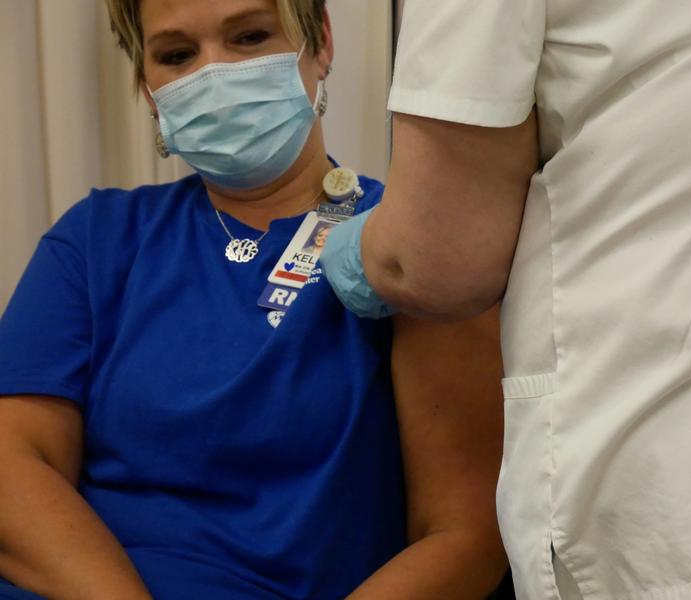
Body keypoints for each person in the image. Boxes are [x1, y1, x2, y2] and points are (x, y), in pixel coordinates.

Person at [320, 1, 691, 599]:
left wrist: (373, 254)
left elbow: (435, 261)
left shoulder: (359, 235)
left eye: (254, 36)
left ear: (322, 48)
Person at [0, 1, 509, 598]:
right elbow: (14, 466)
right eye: (176, 55)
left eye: (248, 37)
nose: (214, 74)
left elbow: (464, 537)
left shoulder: (408, 251)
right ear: (147, 86)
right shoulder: (96, 241)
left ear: (320, 41)